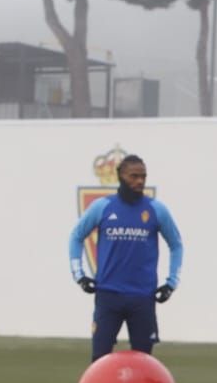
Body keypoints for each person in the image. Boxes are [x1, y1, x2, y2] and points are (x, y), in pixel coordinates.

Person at [67, 154, 183, 360]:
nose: (139, 181)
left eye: (143, 177)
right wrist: (79, 275)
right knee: (100, 359)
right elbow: (76, 237)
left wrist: (171, 282)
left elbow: (176, 245)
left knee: (143, 361)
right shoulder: (102, 207)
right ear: (120, 176)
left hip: (142, 297)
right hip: (108, 296)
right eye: (134, 176)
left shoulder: (156, 210)